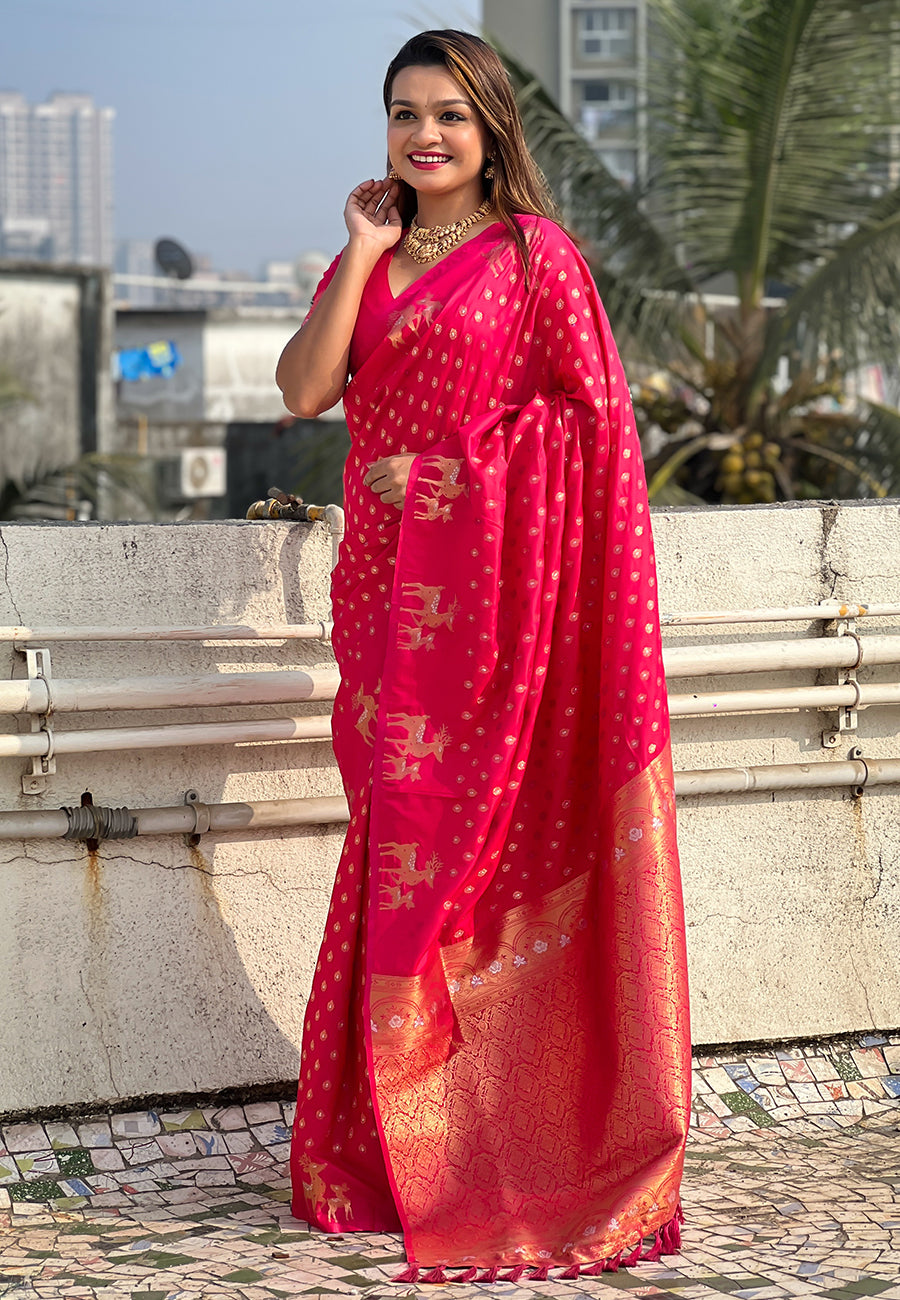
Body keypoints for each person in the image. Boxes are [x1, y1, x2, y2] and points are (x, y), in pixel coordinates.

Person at [277, 28, 690, 1284]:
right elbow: (305, 391)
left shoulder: (536, 257)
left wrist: (450, 475)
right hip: (383, 599)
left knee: (476, 856)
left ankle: (506, 1140)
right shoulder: (375, 254)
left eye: (449, 113)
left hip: (502, 611)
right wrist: (360, 253)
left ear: (491, 125)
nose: (425, 135)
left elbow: (593, 427)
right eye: (404, 113)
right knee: (396, 843)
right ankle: (387, 1146)